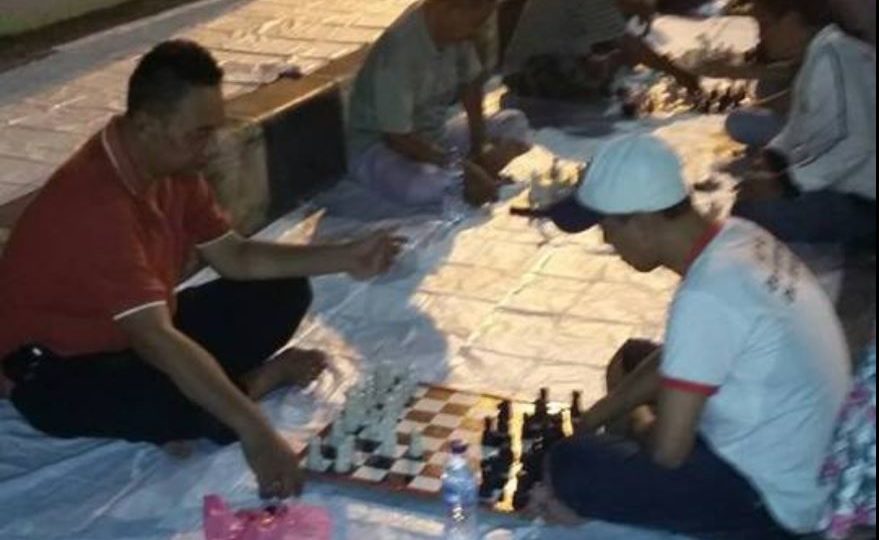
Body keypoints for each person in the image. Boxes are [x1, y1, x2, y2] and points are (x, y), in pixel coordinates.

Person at [0, 40, 403, 500]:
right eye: (199, 133)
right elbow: (159, 341)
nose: (210, 147)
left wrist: (346, 257)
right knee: (167, 395)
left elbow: (237, 257)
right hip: (56, 370)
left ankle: (214, 396)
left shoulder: (173, 168)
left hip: (140, 331)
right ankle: (253, 384)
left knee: (284, 289)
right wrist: (257, 433)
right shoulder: (95, 204)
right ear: (149, 126)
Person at [527, 134, 851, 538]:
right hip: (802, 457)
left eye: (607, 228)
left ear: (644, 223)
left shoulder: (706, 294)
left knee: (570, 464)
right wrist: (597, 415)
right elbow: (672, 360)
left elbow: (667, 452)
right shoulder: (737, 234)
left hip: (770, 500)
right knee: (631, 359)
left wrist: (635, 417)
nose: (607, 242)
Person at [347, 0, 533, 208]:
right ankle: (463, 180)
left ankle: (470, 175)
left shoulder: (456, 32)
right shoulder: (399, 50)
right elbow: (397, 137)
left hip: (434, 137)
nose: (477, 31)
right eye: (475, 23)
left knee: (514, 122)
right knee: (424, 186)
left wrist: (479, 144)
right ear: (446, 9)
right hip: (383, 149)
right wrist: (460, 167)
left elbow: (470, 86)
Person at [732, 1, 876, 251]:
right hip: (851, 184)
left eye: (765, 25)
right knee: (749, 198)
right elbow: (801, 126)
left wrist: (784, 182)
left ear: (792, 20)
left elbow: (854, 142)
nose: (761, 37)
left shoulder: (834, 53)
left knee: (751, 213)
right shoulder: (822, 50)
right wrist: (773, 158)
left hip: (865, 201)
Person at [501, 0, 701, 102]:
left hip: (540, 61)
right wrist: (679, 74)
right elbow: (630, 46)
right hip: (528, 72)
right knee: (620, 58)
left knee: (616, 58)